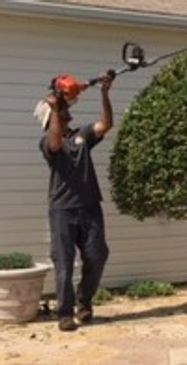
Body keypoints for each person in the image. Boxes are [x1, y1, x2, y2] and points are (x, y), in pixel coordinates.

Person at [35, 73, 113, 331]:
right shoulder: (47, 142)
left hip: (90, 207)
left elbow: (106, 124)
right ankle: (65, 313)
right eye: (62, 109)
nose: (68, 110)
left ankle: (84, 302)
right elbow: (56, 143)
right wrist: (56, 107)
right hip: (62, 211)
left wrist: (104, 92)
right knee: (64, 262)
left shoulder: (82, 136)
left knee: (98, 254)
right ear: (51, 117)